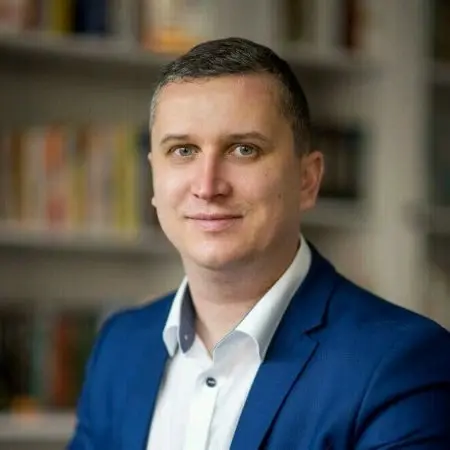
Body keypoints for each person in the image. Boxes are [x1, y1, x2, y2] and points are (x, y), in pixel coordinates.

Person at [68, 37, 450, 450]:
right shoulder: (119, 345)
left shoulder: (402, 362)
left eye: (243, 149)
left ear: (307, 180)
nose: (207, 186)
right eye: (183, 150)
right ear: (154, 179)